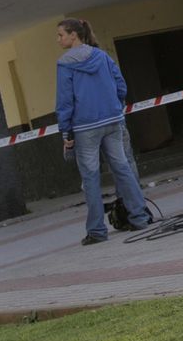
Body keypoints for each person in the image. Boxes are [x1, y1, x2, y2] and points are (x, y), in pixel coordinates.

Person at [55, 19, 153, 245]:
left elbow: (65, 101)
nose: (58, 39)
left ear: (73, 36)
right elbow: (121, 85)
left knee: (90, 177)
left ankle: (97, 231)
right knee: (122, 168)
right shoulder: (102, 56)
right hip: (112, 121)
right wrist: (115, 106)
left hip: (85, 127)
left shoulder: (64, 64)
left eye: (61, 35)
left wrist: (66, 133)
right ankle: (139, 217)